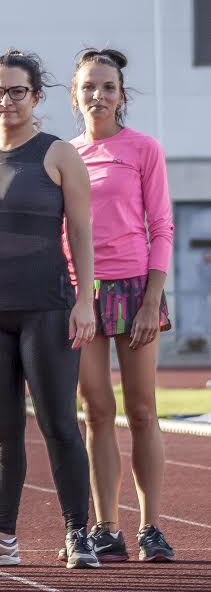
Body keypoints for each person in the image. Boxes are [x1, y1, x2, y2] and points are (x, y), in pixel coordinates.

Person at [0, 50, 99, 569]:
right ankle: (3, 537)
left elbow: (82, 232)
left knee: (59, 424)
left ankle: (77, 533)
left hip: (46, 307)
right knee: (2, 433)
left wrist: (84, 300)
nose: (6, 100)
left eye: (17, 91)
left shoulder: (59, 153)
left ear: (37, 97)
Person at [68, 48, 176, 563]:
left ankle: (152, 526)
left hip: (135, 289)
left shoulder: (143, 149)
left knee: (141, 410)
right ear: (75, 94)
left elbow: (162, 226)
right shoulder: (65, 155)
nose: (98, 95)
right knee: (96, 412)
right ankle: (106, 527)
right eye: (89, 86)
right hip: (81, 293)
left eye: (108, 87)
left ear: (121, 95)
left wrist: (152, 299)